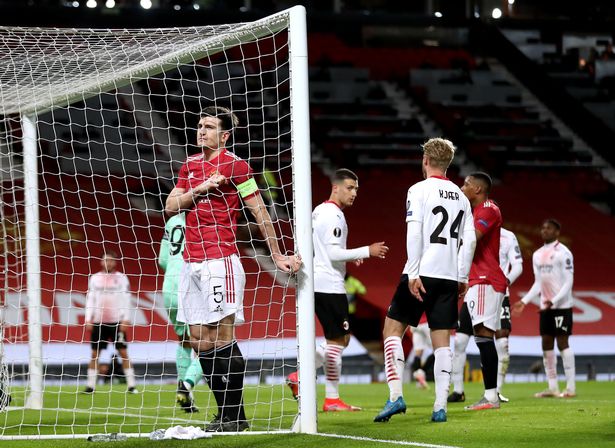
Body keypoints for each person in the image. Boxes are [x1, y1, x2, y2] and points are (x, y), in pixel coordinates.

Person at [165, 106, 301, 432]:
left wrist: (278, 253)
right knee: (198, 339)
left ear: (224, 135)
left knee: (222, 335)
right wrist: (199, 190)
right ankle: (228, 414)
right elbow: (170, 207)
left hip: (220, 260)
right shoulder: (190, 167)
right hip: (190, 263)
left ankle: (233, 415)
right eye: (199, 125)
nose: (202, 131)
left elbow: (259, 212)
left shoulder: (236, 166)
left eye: (209, 127)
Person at [373, 138, 475, 424]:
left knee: (391, 329)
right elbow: (468, 241)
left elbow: (415, 232)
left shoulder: (418, 190)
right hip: (449, 275)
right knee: (442, 340)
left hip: (422, 272)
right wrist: (463, 276)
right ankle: (440, 406)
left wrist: (414, 272)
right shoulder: (462, 197)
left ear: (426, 160)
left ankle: (395, 397)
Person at [287, 169, 389, 412]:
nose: (354, 193)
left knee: (339, 339)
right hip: (329, 284)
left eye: (356, 189)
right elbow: (332, 253)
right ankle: (318, 389)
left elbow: (325, 250)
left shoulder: (319, 211)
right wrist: (367, 250)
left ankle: (322, 391)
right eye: (350, 188)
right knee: (338, 340)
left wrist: (349, 258)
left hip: (318, 281)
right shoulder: (334, 215)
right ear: (336, 187)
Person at [448, 227, 523, 403]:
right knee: (459, 341)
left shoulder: (508, 236)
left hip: (498, 293)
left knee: (502, 343)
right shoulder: (473, 233)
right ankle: (458, 391)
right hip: (474, 291)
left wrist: (505, 283)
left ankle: (496, 390)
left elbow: (518, 265)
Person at [457, 172, 508, 411]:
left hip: (486, 279)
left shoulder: (488, 208)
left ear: (477, 189)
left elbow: (472, 239)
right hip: (478, 279)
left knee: (484, 335)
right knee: (481, 336)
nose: (462, 186)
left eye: (466, 184)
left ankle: (491, 397)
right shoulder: (475, 211)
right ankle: (490, 395)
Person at [512, 219, 576, 398]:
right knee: (546, 344)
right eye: (543, 227)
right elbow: (538, 283)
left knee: (563, 343)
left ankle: (570, 388)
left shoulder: (564, 253)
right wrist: (524, 301)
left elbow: (568, 282)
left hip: (562, 305)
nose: (544, 230)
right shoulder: (537, 254)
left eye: (549, 228)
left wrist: (554, 301)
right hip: (545, 306)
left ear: (557, 232)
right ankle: (553, 387)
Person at [158, 211, 203, 413]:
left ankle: (186, 396)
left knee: (184, 340)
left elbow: (162, 260)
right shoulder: (204, 216)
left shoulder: (172, 221)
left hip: (169, 285)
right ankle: (186, 384)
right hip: (191, 284)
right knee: (210, 343)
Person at [83, 250, 138, 394]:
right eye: (105, 260)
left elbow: (127, 299)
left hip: (117, 322)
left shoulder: (122, 278)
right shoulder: (94, 278)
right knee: (95, 354)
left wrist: (126, 319)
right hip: (99, 321)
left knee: (123, 352)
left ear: (115, 262)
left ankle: (131, 386)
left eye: (111, 260)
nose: (108, 263)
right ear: (101, 262)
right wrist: (88, 318)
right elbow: (90, 299)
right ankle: (90, 386)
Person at [408, 314, 433, 390]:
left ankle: (419, 377)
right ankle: (422, 372)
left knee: (418, 352)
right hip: (427, 322)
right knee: (437, 350)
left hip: (415, 323)